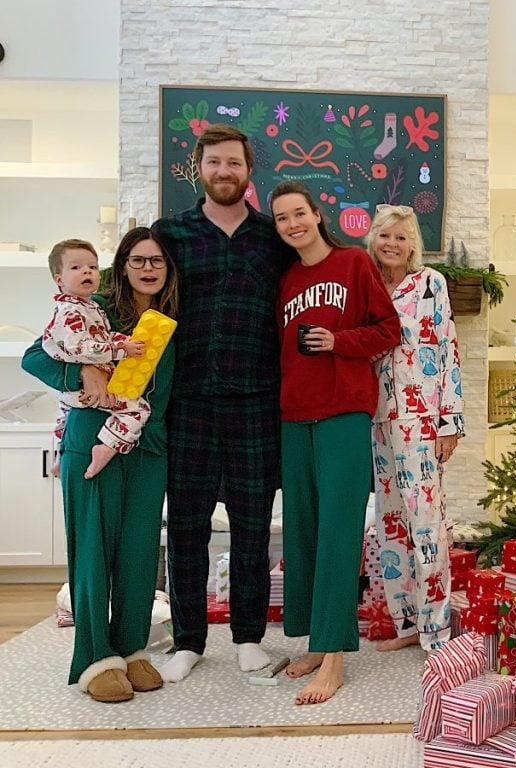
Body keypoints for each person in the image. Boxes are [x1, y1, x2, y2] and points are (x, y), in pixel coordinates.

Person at [151, 124, 294, 682]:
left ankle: (250, 639)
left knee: (254, 526)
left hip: (258, 403)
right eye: (214, 162)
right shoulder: (171, 233)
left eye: (234, 162)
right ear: (199, 168)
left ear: (247, 170)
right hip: (187, 403)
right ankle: (188, 641)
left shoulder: (272, 237)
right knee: (185, 527)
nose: (224, 171)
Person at [21, 227, 180, 702]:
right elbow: (35, 357)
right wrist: (81, 371)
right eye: (138, 260)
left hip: (149, 449)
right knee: (92, 553)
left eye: (158, 261)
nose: (148, 269)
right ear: (123, 265)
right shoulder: (92, 310)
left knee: (137, 556)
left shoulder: (170, 321)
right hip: (90, 441)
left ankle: (131, 650)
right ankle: (94, 659)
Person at [269, 181, 400, 704]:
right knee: (301, 532)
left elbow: (388, 329)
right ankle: (315, 643)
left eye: (298, 213)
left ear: (317, 214)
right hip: (293, 416)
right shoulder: (283, 279)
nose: (292, 224)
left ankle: (336, 658)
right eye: (281, 219)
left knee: (339, 532)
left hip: (344, 412)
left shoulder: (353, 265)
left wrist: (339, 342)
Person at [367, 205, 465, 653]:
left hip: (422, 418)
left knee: (426, 524)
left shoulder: (430, 284)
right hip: (376, 418)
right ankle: (406, 623)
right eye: (385, 236)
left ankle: (437, 631)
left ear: (412, 245)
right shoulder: (365, 284)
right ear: (373, 239)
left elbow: (447, 350)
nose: (392, 244)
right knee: (390, 523)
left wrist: (450, 423)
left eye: (401, 238)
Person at [41, 239, 148, 480]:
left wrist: (122, 338)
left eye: (92, 266)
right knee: (138, 409)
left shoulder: (90, 307)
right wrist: (121, 348)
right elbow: (80, 347)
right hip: (86, 389)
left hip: (73, 392)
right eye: (76, 267)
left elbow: (102, 334)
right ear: (59, 280)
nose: (87, 271)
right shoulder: (70, 312)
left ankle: (60, 456)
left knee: (64, 418)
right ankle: (108, 446)